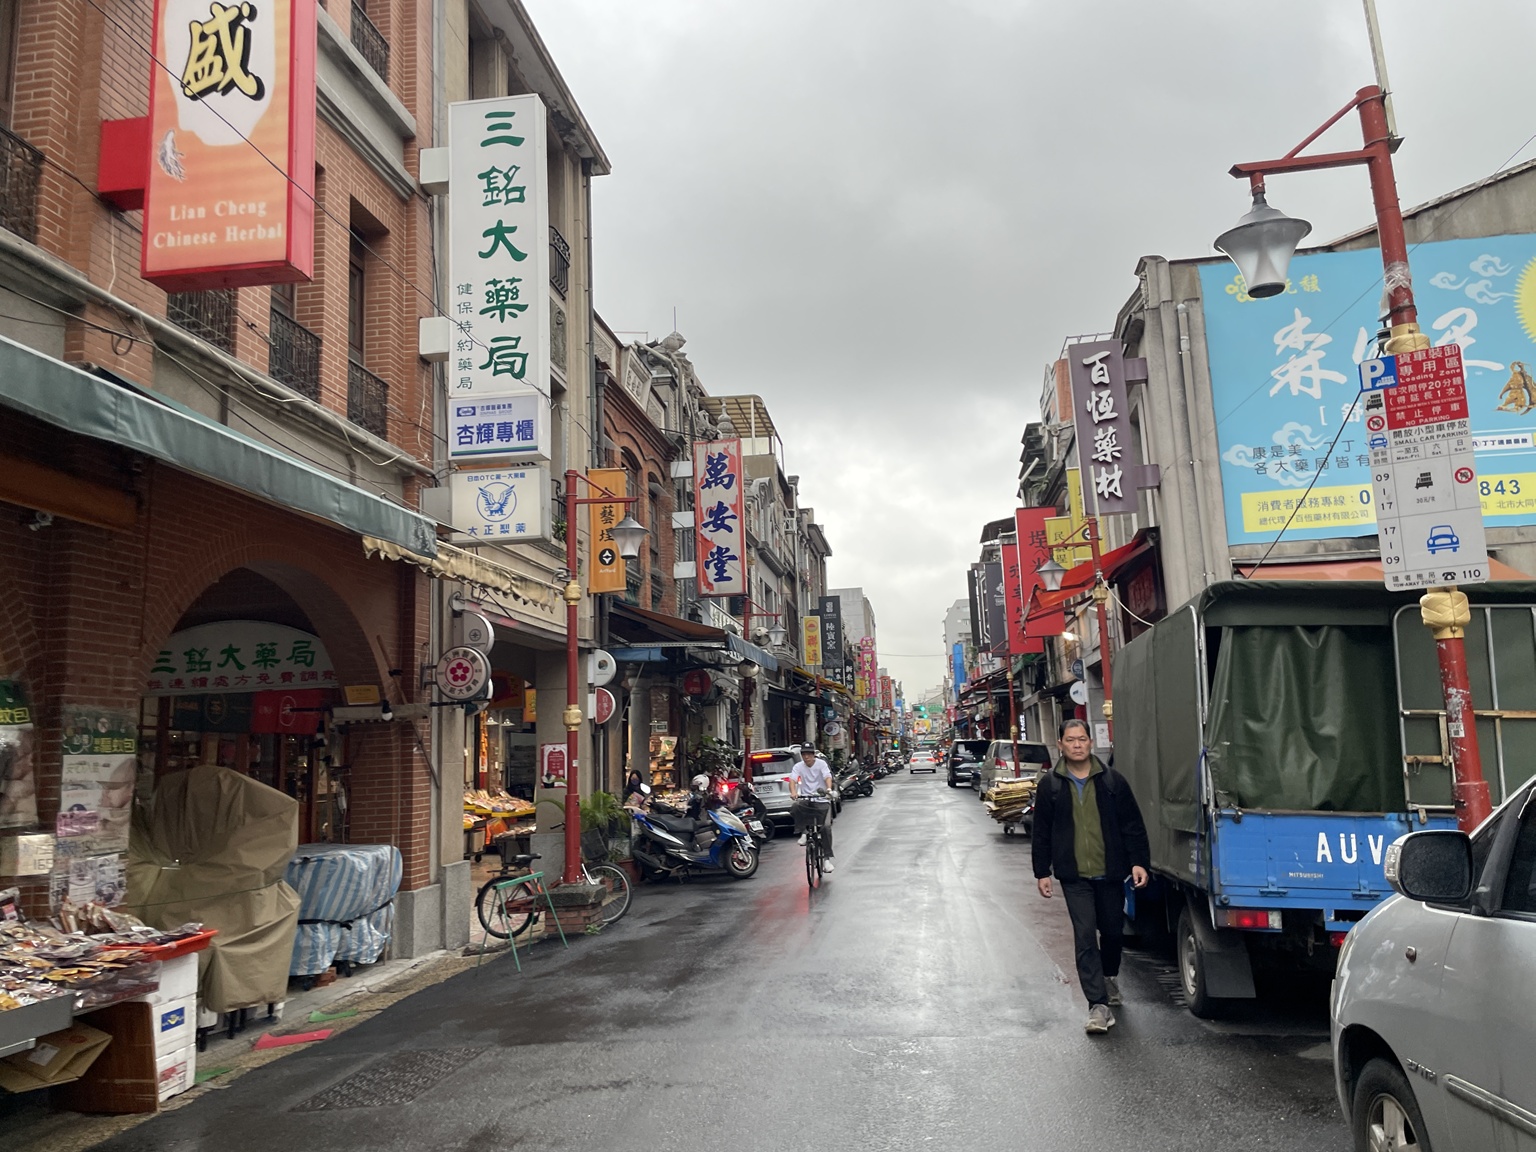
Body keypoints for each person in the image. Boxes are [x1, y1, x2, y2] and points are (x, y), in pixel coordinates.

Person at [1032, 718, 1151, 1035]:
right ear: (1061, 744)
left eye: (1082, 739)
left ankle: (1109, 976)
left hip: (1110, 872)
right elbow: (1041, 831)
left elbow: (1132, 824)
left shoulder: (1112, 781)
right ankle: (1097, 1005)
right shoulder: (1051, 785)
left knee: (1112, 932)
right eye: (1071, 740)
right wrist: (1042, 871)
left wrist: (1138, 862)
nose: (1077, 745)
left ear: (1090, 742)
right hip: (1074, 876)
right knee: (1085, 936)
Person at [788, 745, 835, 873]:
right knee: (795, 807)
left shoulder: (821, 764)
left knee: (825, 828)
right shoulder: (798, 766)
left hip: (822, 800)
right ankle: (804, 832)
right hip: (807, 800)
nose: (806, 757)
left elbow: (827, 777)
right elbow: (792, 780)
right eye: (804, 754)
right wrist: (793, 792)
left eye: (809, 754)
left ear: (813, 754)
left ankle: (827, 860)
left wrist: (828, 789)